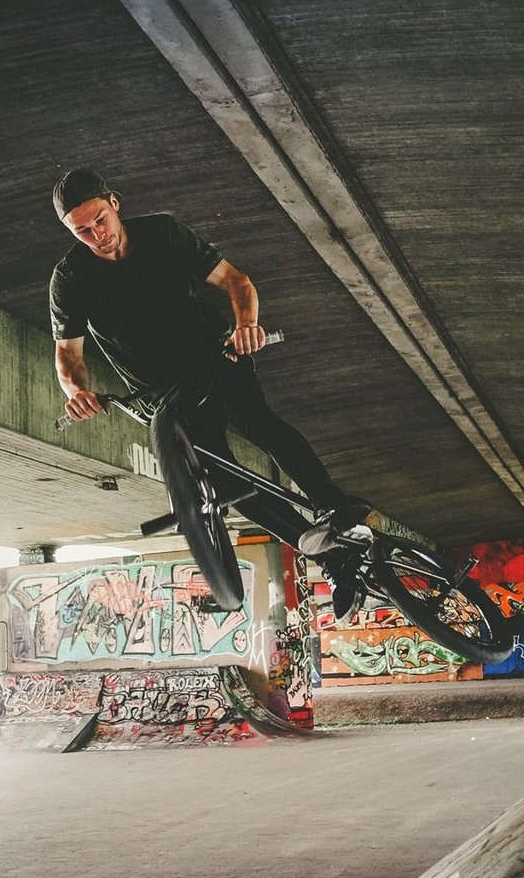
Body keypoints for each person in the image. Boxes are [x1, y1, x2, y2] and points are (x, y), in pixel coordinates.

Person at [49, 168, 370, 616]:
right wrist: (77, 392)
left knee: (257, 421)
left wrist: (246, 326)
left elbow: (236, 281)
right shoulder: (70, 278)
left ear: (114, 203)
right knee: (222, 479)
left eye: (99, 219)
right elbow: (69, 354)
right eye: (81, 231)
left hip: (214, 357)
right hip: (160, 394)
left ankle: (337, 511)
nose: (96, 235)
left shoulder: (162, 234)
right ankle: (324, 551)